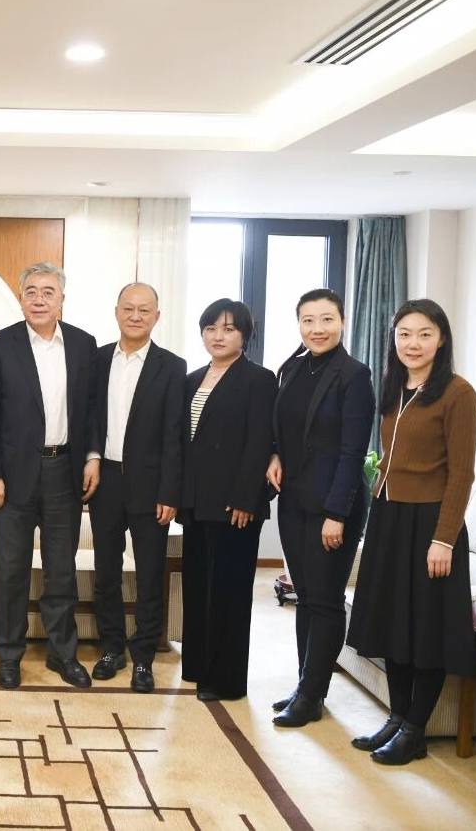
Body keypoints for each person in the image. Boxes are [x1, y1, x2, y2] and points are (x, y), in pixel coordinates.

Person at [346, 299, 476, 765]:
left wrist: (444, 539)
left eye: (424, 334)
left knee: (426, 630)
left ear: (441, 339)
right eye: (404, 334)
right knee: (393, 625)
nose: (413, 343)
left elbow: (462, 474)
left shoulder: (459, 394)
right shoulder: (394, 387)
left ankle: (415, 730)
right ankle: (398, 718)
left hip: (431, 524)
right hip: (390, 517)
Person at [0, 262, 100, 689]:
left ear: (62, 298)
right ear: (21, 298)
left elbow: (92, 409)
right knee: (10, 569)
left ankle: (64, 655)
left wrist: (93, 456)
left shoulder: (83, 344)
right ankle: (8, 655)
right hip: (13, 477)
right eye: (31, 291)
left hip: (65, 470)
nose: (39, 299)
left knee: (61, 570)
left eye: (48, 292)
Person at [268, 289, 373, 727]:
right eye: (308, 320)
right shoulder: (292, 368)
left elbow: (353, 451)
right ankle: (305, 687)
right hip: (294, 499)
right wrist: (275, 454)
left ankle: (313, 695)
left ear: (342, 321)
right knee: (305, 596)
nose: (317, 328)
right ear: (299, 324)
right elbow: (282, 428)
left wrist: (337, 514)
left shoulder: (355, 375)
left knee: (326, 599)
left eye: (326, 319)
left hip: (334, 505)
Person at [89, 282, 185, 692]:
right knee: (106, 572)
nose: (135, 316)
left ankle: (143, 657)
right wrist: (91, 458)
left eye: (144, 310)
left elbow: (175, 435)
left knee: (149, 575)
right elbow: (87, 418)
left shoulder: (172, 366)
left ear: (156, 317)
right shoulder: (96, 360)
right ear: (116, 311)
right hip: (106, 481)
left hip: (151, 486)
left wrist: (170, 492)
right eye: (128, 308)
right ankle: (111, 648)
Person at [180, 299, 276, 701]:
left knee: (229, 594)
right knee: (198, 586)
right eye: (211, 328)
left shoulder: (259, 379)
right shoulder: (192, 379)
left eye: (229, 328)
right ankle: (198, 667)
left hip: (236, 504)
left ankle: (226, 680)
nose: (218, 336)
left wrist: (246, 498)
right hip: (196, 501)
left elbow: (259, 440)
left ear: (244, 335)